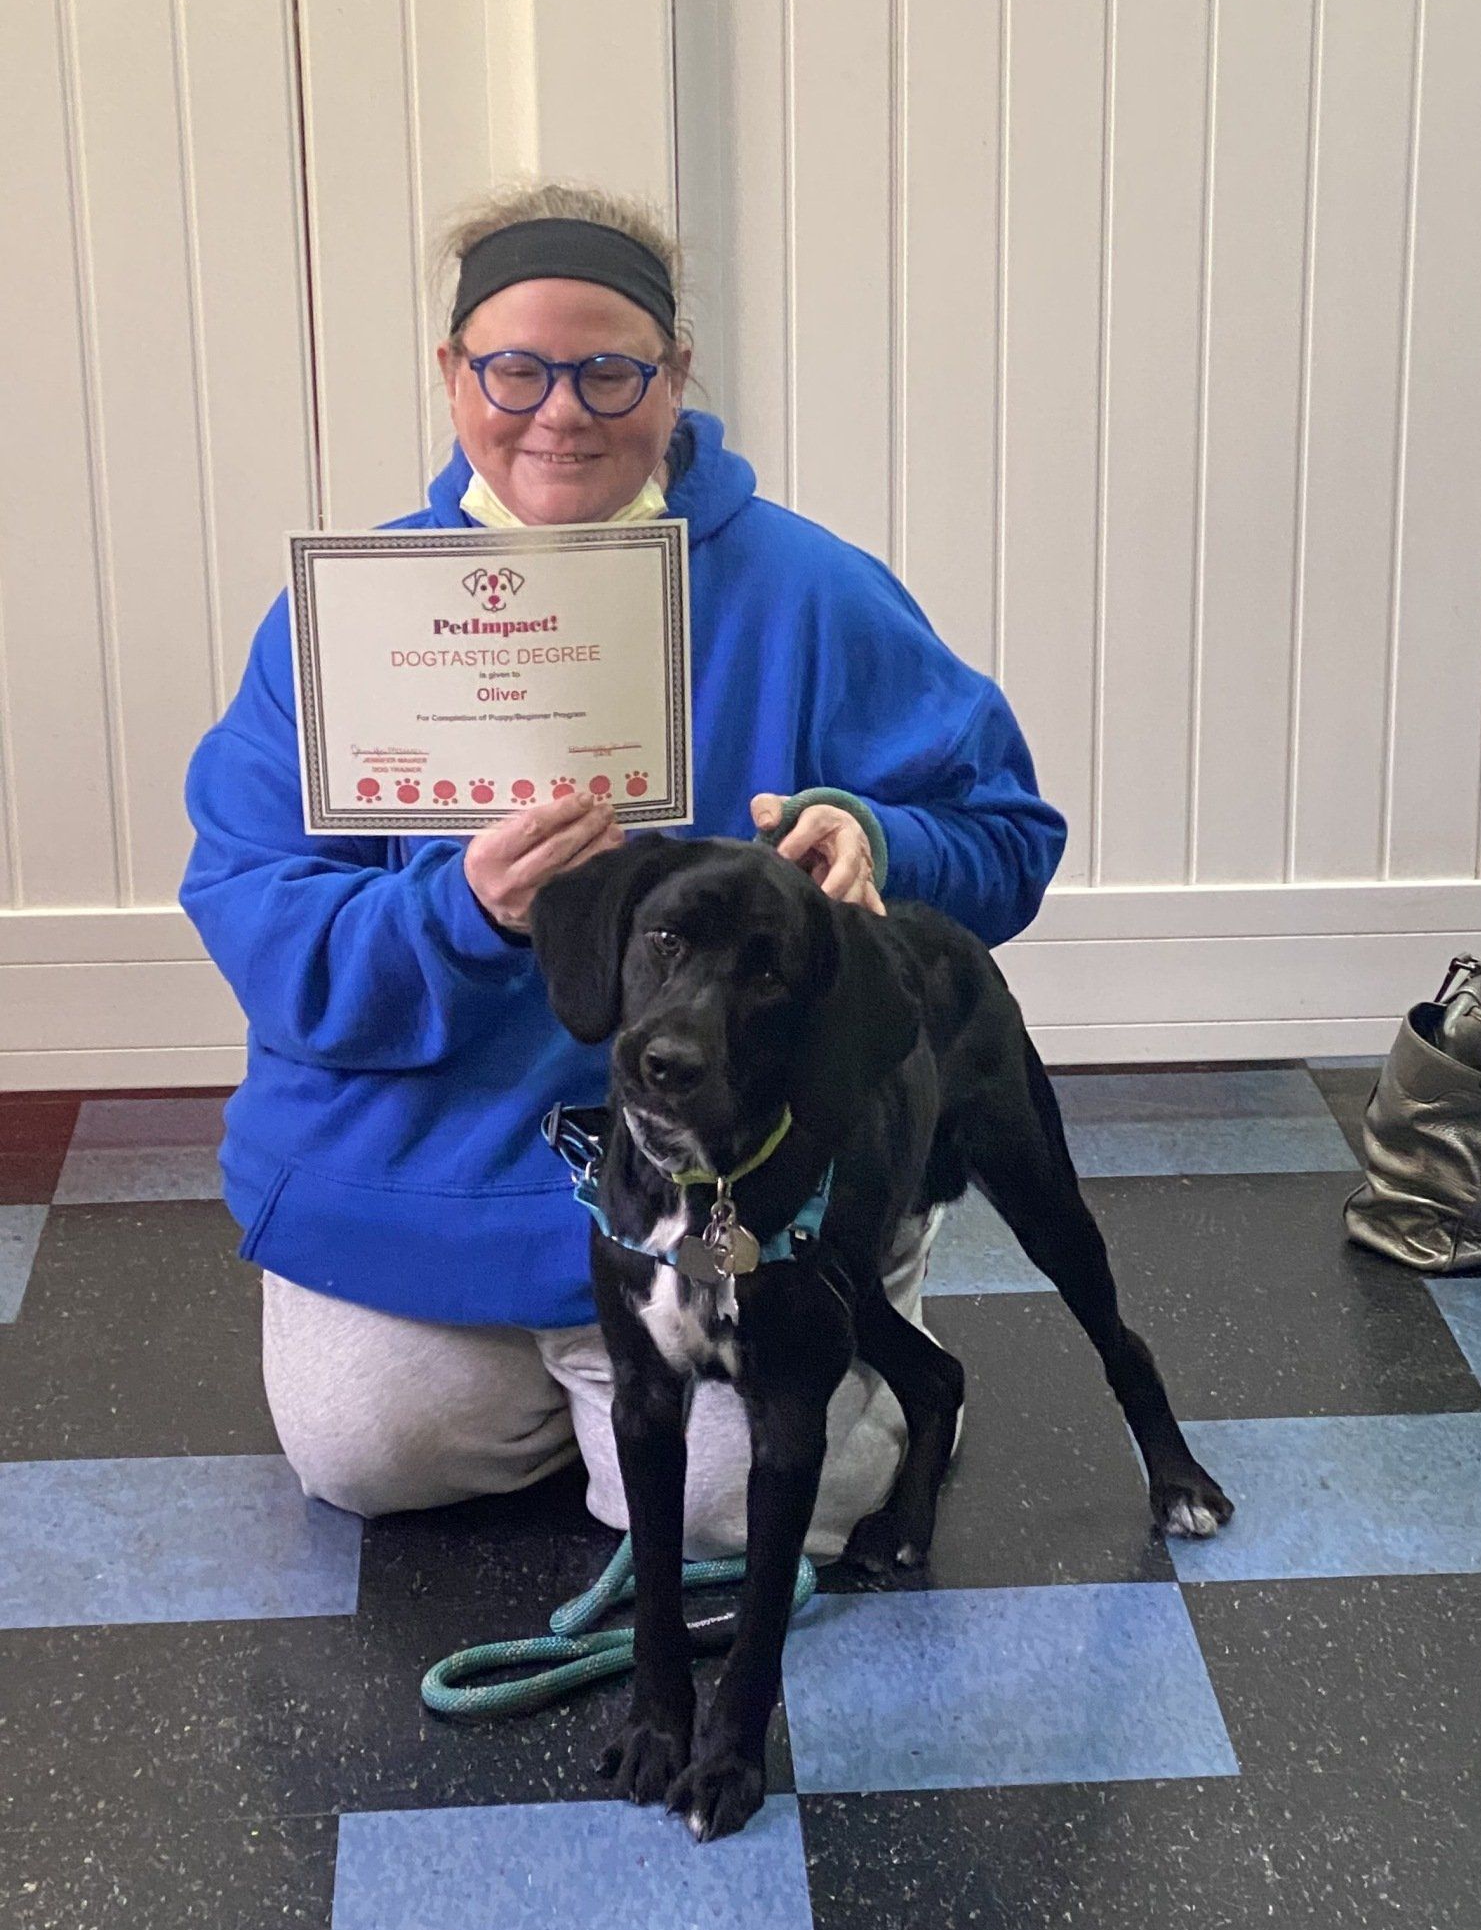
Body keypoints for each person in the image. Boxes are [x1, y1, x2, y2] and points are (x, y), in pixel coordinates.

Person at [180, 179, 1065, 1555]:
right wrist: (461, 908)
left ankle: (845, 1285)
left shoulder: (810, 594)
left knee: (741, 1511)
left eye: (610, 370)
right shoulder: (350, 625)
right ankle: (577, 1385)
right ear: (453, 373)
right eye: (516, 369)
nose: (561, 412)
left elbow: (1008, 835)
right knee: (374, 1457)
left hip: (738, 1160)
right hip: (438, 1154)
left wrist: (883, 842)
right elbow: (259, 919)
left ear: (675, 373)